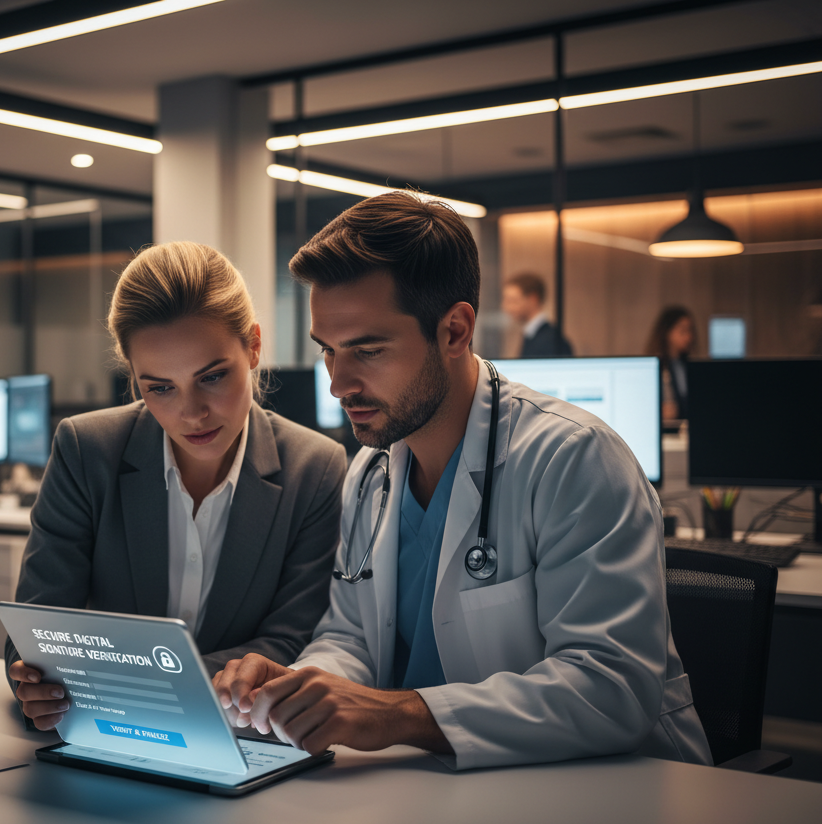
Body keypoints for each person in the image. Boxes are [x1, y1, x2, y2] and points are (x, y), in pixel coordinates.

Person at [213, 193, 711, 771]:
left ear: (454, 330)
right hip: (440, 790)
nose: (338, 384)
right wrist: (301, 691)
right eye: (328, 351)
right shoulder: (370, 473)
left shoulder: (572, 459)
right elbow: (351, 637)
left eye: (368, 350)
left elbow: (611, 689)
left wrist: (397, 714)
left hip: (612, 796)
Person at [7, 241, 347, 731]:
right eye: (160, 387)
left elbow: (288, 639)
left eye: (212, 377)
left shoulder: (314, 468)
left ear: (253, 346)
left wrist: (119, 681)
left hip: (234, 733)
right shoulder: (86, 449)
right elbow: (35, 627)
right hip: (97, 731)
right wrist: (32, 681)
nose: (191, 413)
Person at [501, 272, 573, 357]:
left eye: (513, 301)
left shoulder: (550, 340)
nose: (506, 307)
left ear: (533, 299)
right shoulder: (531, 335)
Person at [646, 305, 696, 421]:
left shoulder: (687, 364)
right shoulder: (655, 365)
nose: (689, 337)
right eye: (682, 331)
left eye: (690, 331)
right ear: (667, 332)